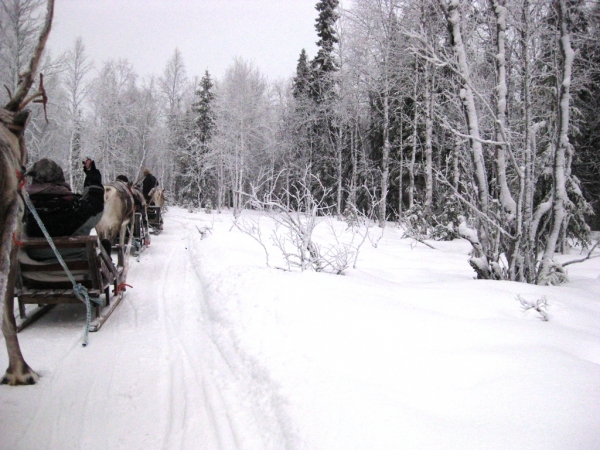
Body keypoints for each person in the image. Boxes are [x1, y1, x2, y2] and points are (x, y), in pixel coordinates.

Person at [23, 158, 104, 259]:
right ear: (60, 178)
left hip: (33, 265)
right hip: (75, 263)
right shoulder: (74, 207)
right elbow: (96, 205)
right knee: (105, 244)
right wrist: (92, 176)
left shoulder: (23, 208)